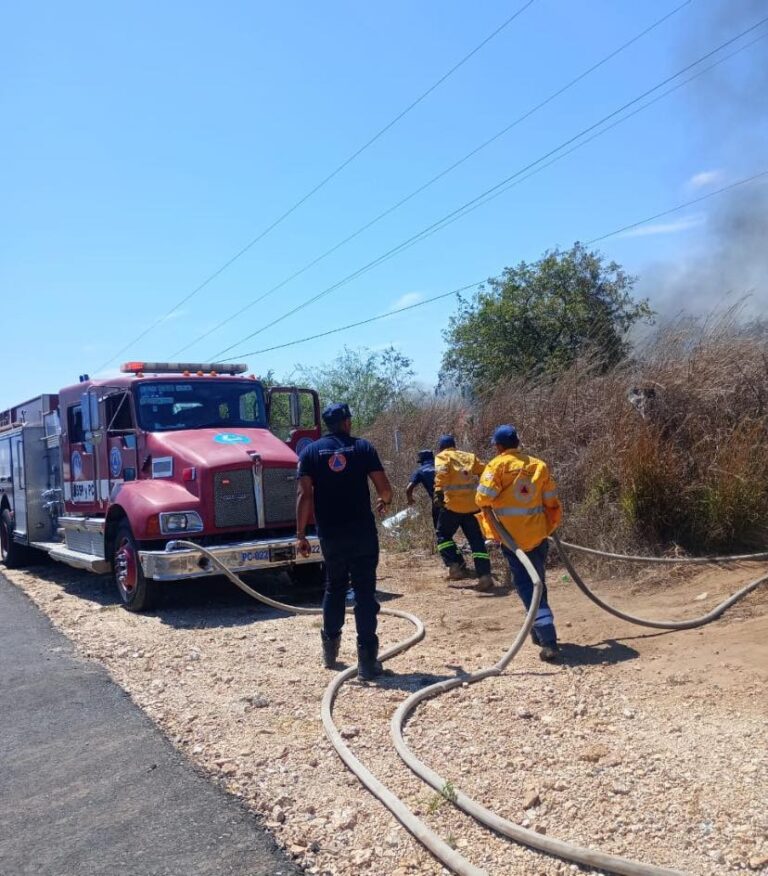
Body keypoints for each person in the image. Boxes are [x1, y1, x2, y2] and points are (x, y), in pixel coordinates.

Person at [296, 402, 393, 681]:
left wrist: (301, 535)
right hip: (361, 532)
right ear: (347, 422)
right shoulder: (363, 448)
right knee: (364, 593)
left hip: (330, 534)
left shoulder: (309, 453)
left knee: (334, 587)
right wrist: (383, 502)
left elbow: (305, 496)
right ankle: (367, 664)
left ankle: (330, 652)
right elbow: (384, 489)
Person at [475, 425, 562, 662]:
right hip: (537, 535)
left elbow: (482, 497)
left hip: (513, 540)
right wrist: (549, 527)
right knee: (538, 582)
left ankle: (548, 639)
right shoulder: (538, 465)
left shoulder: (497, 466)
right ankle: (538, 630)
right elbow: (550, 501)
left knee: (527, 585)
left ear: (498, 446)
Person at [434, 434, 494, 592]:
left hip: (452, 506)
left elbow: (441, 473)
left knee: (443, 535)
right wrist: (484, 491)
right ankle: (485, 576)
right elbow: (486, 471)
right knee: (476, 541)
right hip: (472, 506)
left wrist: (438, 491)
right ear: (455, 445)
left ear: (441, 448)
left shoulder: (443, 456)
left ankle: (455, 567)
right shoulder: (469, 457)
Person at [405, 449, 439, 531]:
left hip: (438, 501)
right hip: (454, 498)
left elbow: (409, 488)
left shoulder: (420, 471)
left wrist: (410, 499)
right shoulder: (441, 466)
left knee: (439, 528)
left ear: (421, 461)